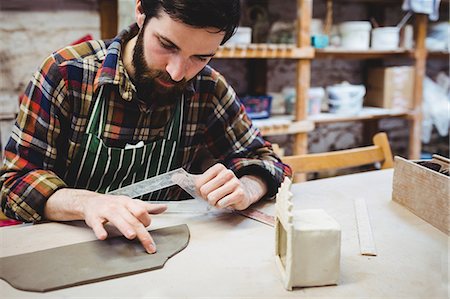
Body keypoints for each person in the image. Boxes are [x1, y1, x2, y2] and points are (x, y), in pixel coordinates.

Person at [0, 0, 291, 253]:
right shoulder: (67, 73)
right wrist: (87, 203)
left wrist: (246, 188)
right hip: (67, 246)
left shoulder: (207, 87)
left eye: (200, 57)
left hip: (167, 247)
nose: (178, 72)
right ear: (140, 11)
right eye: (167, 45)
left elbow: (267, 161)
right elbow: (13, 185)